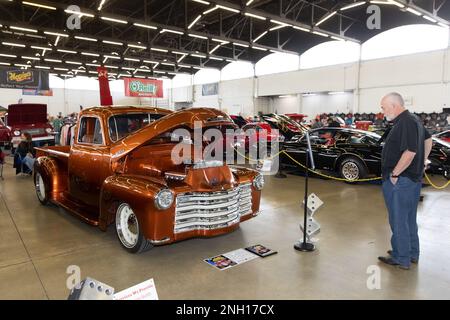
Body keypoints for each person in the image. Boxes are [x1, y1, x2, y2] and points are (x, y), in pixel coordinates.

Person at [378, 92, 432, 270]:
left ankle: (401, 257)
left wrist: (394, 174)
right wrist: (423, 161)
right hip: (412, 180)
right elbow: (428, 139)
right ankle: (411, 253)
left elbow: (409, 152)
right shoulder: (412, 120)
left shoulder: (406, 122)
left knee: (398, 219)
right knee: (408, 219)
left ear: (394, 105)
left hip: (401, 181)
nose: (382, 111)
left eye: (384, 107)